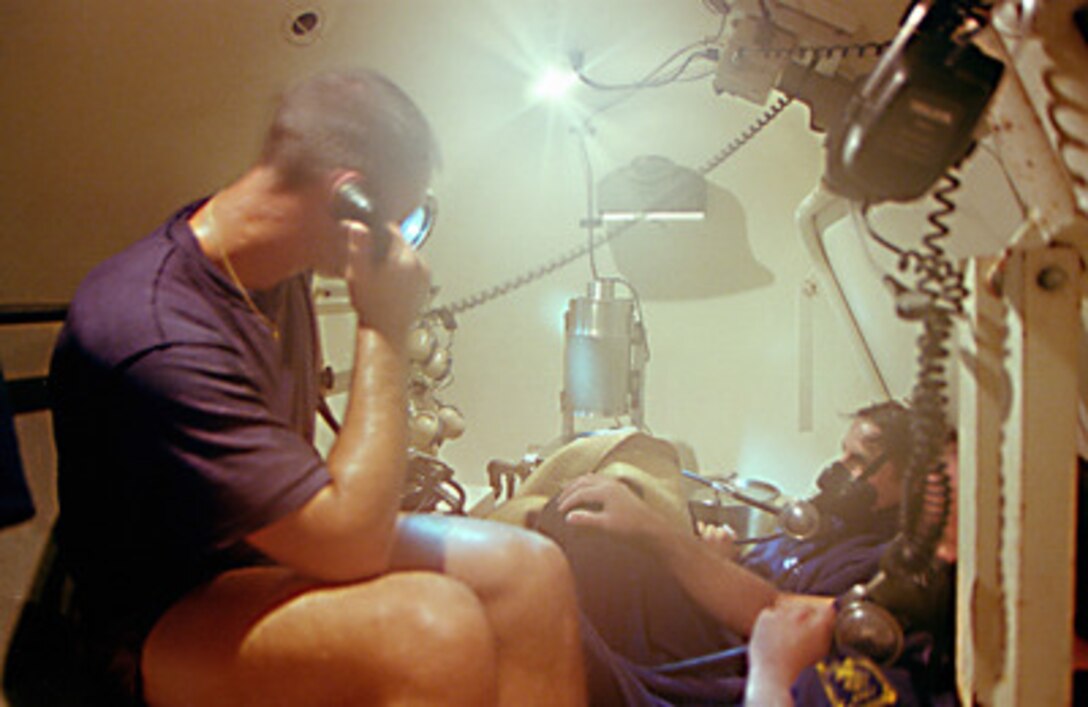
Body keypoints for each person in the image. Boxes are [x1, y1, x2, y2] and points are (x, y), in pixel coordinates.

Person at [49, 68, 586, 707]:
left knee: (530, 571)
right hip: (149, 621)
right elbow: (347, 546)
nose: (408, 240)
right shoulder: (158, 328)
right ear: (349, 202)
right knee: (432, 630)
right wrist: (385, 326)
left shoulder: (277, 271)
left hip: (261, 550)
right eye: (405, 220)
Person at [534, 401, 928, 704]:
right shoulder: (828, 524)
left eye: (857, 460)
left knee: (587, 534)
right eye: (842, 453)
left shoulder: (883, 565)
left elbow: (780, 614)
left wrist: (661, 536)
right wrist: (724, 562)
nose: (836, 469)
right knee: (581, 508)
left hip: (717, 654)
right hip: (702, 616)